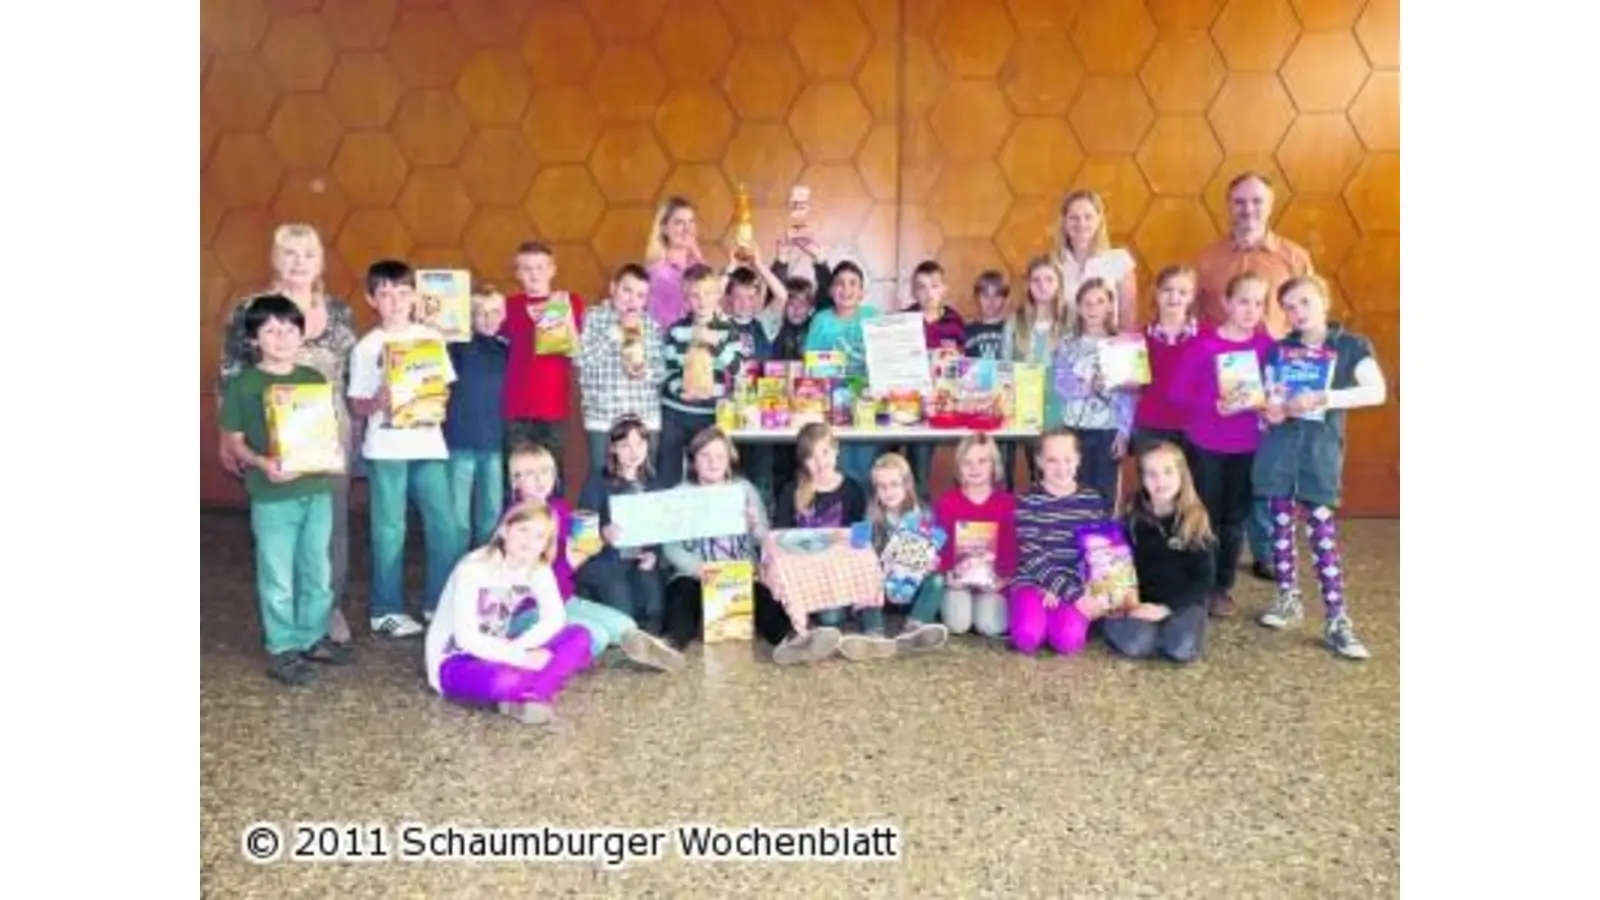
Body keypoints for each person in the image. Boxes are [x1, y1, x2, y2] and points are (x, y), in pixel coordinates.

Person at [217, 223, 358, 645]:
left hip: (328, 433)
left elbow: (352, 373)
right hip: (266, 436)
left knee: (330, 525)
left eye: (308, 254)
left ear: (320, 262)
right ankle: (284, 618)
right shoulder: (251, 309)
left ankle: (324, 612)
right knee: (280, 528)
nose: (299, 262)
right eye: (290, 253)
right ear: (276, 259)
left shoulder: (338, 312)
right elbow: (229, 374)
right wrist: (229, 439)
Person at [1253, 276, 1389, 660]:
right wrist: (1271, 413)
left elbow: (1376, 391)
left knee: (1322, 534)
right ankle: (1287, 598)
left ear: (1324, 301)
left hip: (1319, 455)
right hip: (1280, 454)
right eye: (1290, 307)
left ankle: (1336, 618)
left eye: (1305, 302)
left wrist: (1324, 397)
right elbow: (1268, 401)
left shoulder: (1350, 346)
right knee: (1279, 529)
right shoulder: (1280, 350)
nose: (1298, 312)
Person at [1194, 172, 1315, 577]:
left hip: (1277, 375)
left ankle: (1266, 552)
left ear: (1270, 204)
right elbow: (1196, 319)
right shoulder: (1208, 259)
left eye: (1257, 201)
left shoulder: (1294, 258)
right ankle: (1221, 557)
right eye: (1240, 201)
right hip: (1226, 380)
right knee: (1232, 464)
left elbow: (1308, 311)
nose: (1248, 209)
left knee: (1269, 468)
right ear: (1229, 205)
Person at [346, 260, 464, 637]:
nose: (394, 301)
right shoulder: (366, 347)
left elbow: (444, 388)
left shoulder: (431, 339)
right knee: (389, 531)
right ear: (371, 299)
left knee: (446, 527)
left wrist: (433, 398)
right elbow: (355, 405)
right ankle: (385, 609)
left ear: (414, 296)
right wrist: (378, 401)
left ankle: (438, 602)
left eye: (402, 292)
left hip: (428, 444)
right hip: (386, 449)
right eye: (384, 294)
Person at [503, 442, 684, 672]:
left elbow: (579, 552)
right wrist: (572, 560)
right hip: (527, 609)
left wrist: (600, 540)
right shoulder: (517, 521)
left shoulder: (559, 508)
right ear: (515, 481)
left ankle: (642, 650)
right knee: (596, 636)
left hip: (562, 599)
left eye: (545, 471)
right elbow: (532, 580)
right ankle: (535, 659)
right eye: (529, 474)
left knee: (626, 625)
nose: (540, 480)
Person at [423, 501, 595, 725]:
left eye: (540, 536)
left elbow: (554, 619)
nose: (530, 541)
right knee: (505, 678)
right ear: (505, 531)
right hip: (457, 659)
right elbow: (466, 638)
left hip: (503, 647)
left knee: (580, 636)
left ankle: (528, 696)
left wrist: (520, 648)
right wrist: (521, 658)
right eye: (523, 530)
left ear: (546, 544)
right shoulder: (473, 568)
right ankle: (534, 690)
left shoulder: (538, 568)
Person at [1173, 272, 1275, 619]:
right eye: (1244, 301)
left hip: (1247, 446)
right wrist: (1212, 403)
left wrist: (1269, 404)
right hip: (1206, 445)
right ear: (1226, 303)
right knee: (1205, 517)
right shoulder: (1203, 345)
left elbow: (1277, 393)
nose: (1251, 309)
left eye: (1259, 303)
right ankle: (1198, 585)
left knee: (1235, 521)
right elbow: (1178, 394)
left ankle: (1222, 587)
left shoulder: (1266, 348)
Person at [660, 429, 814, 658]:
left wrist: (754, 528)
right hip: (697, 573)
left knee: (764, 598)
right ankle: (669, 645)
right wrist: (696, 568)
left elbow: (764, 536)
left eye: (720, 456)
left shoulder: (744, 489)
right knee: (682, 596)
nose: (713, 463)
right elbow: (670, 546)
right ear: (693, 460)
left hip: (738, 571)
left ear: (729, 459)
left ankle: (789, 640)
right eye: (705, 455)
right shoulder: (680, 494)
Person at [770, 424, 887, 661]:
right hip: (809, 569)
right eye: (811, 457)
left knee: (866, 564)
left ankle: (875, 632)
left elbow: (860, 536)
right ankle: (826, 625)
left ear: (836, 450)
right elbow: (780, 535)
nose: (820, 462)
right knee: (830, 618)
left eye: (824, 452)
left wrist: (851, 545)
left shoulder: (852, 489)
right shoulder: (793, 490)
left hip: (841, 566)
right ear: (803, 462)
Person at [1103, 441, 1216, 664]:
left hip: (1183, 601)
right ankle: (1145, 631)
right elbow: (1117, 565)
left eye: (1167, 472)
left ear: (1182, 475)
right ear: (1142, 479)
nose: (1160, 481)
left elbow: (1204, 579)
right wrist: (1119, 600)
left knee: (1181, 650)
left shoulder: (1195, 519)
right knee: (1135, 644)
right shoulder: (1131, 515)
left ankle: (1176, 628)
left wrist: (1166, 609)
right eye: (1151, 474)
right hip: (1141, 599)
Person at [1008, 429, 1111, 657]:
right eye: (1052, 460)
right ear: (1038, 461)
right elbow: (1032, 557)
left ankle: (1056, 620)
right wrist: (1055, 588)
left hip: (1074, 584)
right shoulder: (1027, 501)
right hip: (1034, 580)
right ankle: (1032, 615)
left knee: (1069, 642)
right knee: (1028, 638)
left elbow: (1097, 554)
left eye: (1068, 459)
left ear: (1078, 460)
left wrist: (1073, 591)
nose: (1061, 467)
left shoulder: (1092, 500)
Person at [574, 416, 668, 636]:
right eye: (625, 445)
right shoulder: (598, 482)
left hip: (640, 560)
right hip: (606, 561)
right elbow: (580, 536)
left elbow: (661, 530)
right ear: (613, 448)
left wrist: (653, 554)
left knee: (655, 611)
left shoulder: (655, 484)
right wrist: (603, 535)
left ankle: (650, 644)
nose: (633, 452)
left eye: (639, 444)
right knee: (625, 615)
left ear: (647, 445)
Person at [1047, 277, 1137, 507]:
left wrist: (1124, 432)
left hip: (1107, 430)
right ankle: (1073, 540)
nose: (1093, 308)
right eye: (1087, 303)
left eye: (1099, 302)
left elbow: (1129, 394)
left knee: (1103, 494)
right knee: (1073, 490)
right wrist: (1086, 386)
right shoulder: (1067, 344)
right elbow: (1060, 382)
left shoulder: (1122, 344)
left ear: (1110, 306)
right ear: (1078, 308)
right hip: (1073, 431)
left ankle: (1101, 542)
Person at [577, 263, 666, 495]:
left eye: (640, 295)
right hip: (604, 416)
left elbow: (660, 371)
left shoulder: (651, 325)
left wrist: (644, 371)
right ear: (613, 288)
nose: (632, 300)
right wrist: (618, 330)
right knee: (601, 478)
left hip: (644, 417)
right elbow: (582, 361)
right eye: (627, 291)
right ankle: (601, 528)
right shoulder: (593, 317)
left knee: (644, 477)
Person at [499, 241, 584, 480]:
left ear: (552, 270)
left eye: (539, 267)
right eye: (526, 268)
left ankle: (554, 518)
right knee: (517, 480)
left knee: (551, 478)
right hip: (516, 408)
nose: (534, 274)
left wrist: (564, 315)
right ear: (517, 273)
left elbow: (575, 352)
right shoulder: (508, 306)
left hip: (553, 407)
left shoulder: (568, 302)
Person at [657, 263, 749, 486]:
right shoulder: (676, 330)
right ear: (686, 298)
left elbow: (739, 370)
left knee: (709, 473)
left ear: (718, 294)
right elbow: (665, 371)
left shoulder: (729, 330)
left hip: (710, 414)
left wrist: (715, 344)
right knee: (667, 472)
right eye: (694, 295)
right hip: (676, 412)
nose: (702, 300)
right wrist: (680, 389)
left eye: (708, 293)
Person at [803, 260, 881, 485]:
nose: (846, 290)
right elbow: (811, 367)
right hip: (831, 406)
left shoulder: (874, 317)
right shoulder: (821, 320)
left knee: (866, 468)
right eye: (839, 283)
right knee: (839, 466)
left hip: (867, 404)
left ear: (862, 292)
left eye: (853, 284)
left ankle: (864, 518)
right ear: (830, 290)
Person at [444, 286, 510, 547]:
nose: (488, 318)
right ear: (469, 316)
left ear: (503, 314)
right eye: (480, 313)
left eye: (494, 312)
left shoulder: (507, 350)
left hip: (493, 443)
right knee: (458, 519)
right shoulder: (456, 348)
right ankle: (458, 572)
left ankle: (488, 569)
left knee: (491, 516)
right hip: (459, 442)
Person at [933, 432, 1017, 637]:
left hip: (993, 584)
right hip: (958, 583)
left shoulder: (1008, 504)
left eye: (982, 461)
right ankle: (959, 605)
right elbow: (937, 547)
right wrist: (947, 575)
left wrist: (1003, 581)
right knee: (958, 624)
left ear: (994, 466)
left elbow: (1015, 551)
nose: (974, 468)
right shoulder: (947, 503)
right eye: (967, 462)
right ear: (958, 469)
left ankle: (980, 608)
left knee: (990, 626)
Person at [864, 453, 950, 652]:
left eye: (894, 484)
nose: (888, 491)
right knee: (865, 574)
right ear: (875, 490)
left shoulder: (925, 514)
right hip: (882, 589)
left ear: (907, 484)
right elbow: (861, 550)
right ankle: (873, 632)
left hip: (913, 584)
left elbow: (936, 549)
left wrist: (933, 562)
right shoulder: (870, 515)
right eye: (881, 486)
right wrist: (874, 563)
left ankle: (915, 627)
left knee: (937, 581)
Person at [1001, 255, 1070, 488]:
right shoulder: (1015, 321)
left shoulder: (1071, 321)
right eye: (1036, 280)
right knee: (1038, 472)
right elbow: (1005, 365)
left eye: (1049, 280)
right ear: (1028, 285)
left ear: (1059, 284)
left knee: (1061, 472)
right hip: (1028, 409)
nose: (1042, 286)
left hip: (1063, 410)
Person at [897, 260, 964, 493]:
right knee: (890, 463)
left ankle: (920, 514)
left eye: (934, 286)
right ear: (914, 291)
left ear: (944, 288)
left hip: (939, 405)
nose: (928, 293)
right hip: (903, 404)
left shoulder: (955, 322)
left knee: (921, 465)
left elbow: (963, 367)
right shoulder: (903, 320)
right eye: (922, 287)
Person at [1132, 265, 1201, 455]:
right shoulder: (1138, 338)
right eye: (1167, 290)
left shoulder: (1207, 338)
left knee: (1193, 484)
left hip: (1194, 427)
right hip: (1151, 425)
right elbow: (1133, 387)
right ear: (1156, 293)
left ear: (1192, 296)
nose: (1174, 297)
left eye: (1182, 292)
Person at [1053, 189, 1138, 331]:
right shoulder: (1053, 264)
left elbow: (1127, 319)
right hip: (1065, 348)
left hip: (1109, 347)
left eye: (1088, 217)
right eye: (1074, 218)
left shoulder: (1119, 261)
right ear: (1064, 222)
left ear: (1099, 220)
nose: (1081, 224)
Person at [965, 269, 1013, 488]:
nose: (991, 301)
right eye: (985, 295)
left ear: (1005, 298)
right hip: (975, 408)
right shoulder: (967, 330)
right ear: (977, 298)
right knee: (972, 461)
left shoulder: (1012, 329)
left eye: (997, 295)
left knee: (1003, 469)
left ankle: (1003, 511)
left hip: (1004, 408)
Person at [644, 196, 704, 331]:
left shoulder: (697, 264)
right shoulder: (659, 274)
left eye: (691, 221)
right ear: (664, 228)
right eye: (679, 223)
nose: (688, 229)